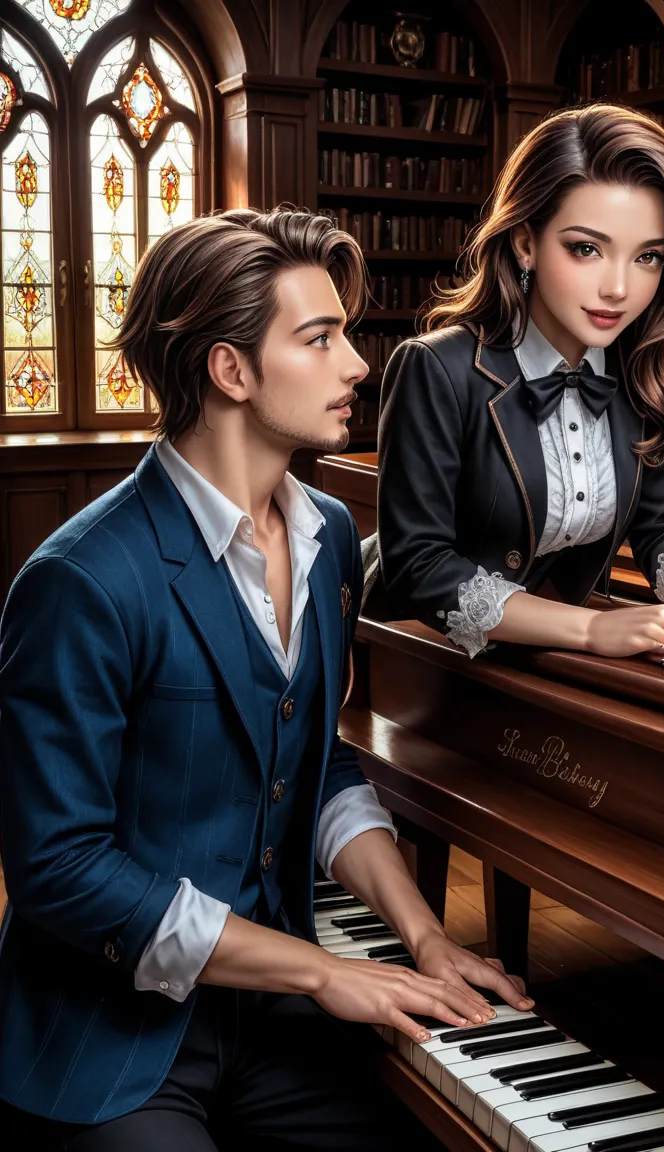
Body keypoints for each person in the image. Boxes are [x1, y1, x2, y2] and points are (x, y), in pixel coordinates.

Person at [0, 207, 531, 1151]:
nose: (358, 365)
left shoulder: (332, 541)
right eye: (319, 339)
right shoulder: (78, 582)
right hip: (108, 1040)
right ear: (231, 370)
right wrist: (320, 972)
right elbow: (58, 868)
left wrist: (423, 933)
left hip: (276, 1017)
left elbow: (317, 764)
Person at [372, 104, 664, 659]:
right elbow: (419, 567)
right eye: (586, 248)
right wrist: (589, 629)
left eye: (648, 257)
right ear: (525, 242)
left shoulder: (636, 369)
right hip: (416, 659)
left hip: (550, 658)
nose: (619, 287)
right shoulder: (434, 368)